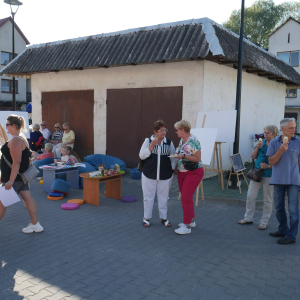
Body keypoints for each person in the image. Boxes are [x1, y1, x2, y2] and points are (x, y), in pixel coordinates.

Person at [0, 115, 44, 233]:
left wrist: (10, 180)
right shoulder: (21, 137)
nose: (6, 127)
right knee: (28, 198)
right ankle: (35, 224)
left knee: (2, 203)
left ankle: (35, 224)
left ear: (14, 126)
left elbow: (16, 161)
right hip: (20, 177)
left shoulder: (15, 140)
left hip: (14, 178)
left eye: (7, 124)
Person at [238, 125, 278, 230]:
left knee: (267, 199)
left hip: (269, 174)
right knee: (250, 196)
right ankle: (248, 218)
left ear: (274, 134)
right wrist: (257, 148)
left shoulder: (277, 144)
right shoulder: (262, 143)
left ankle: (264, 221)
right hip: (256, 173)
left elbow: (279, 162)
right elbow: (253, 156)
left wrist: (268, 166)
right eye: (265, 132)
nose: (265, 134)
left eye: (268, 133)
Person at [267, 118, 300, 245]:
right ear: (283, 129)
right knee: (279, 207)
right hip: (278, 180)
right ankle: (282, 229)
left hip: (293, 180)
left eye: (294, 127)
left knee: (293, 209)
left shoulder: (298, 142)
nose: (294, 130)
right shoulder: (274, 143)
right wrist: (280, 150)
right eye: (291, 128)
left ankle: (291, 236)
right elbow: (271, 162)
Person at [139, 120, 176, 227]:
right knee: (148, 197)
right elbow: (141, 156)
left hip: (165, 175)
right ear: (155, 131)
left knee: (163, 197)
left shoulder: (169, 142)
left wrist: (172, 169)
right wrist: (151, 147)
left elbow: (174, 157)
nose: (163, 133)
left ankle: (164, 218)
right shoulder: (148, 141)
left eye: (165, 130)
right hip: (149, 174)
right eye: (161, 130)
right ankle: (146, 218)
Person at [173, 119, 204, 235]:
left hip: (193, 172)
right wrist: (177, 155)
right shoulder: (182, 140)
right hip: (182, 172)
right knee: (187, 197)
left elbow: (197, 158)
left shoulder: (193, 140)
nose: (176, 132)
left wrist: (183, 156)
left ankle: (186, 226)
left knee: (185, 198)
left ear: (182, 130)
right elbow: (180, 153)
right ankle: (190, 221)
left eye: (177, 130)